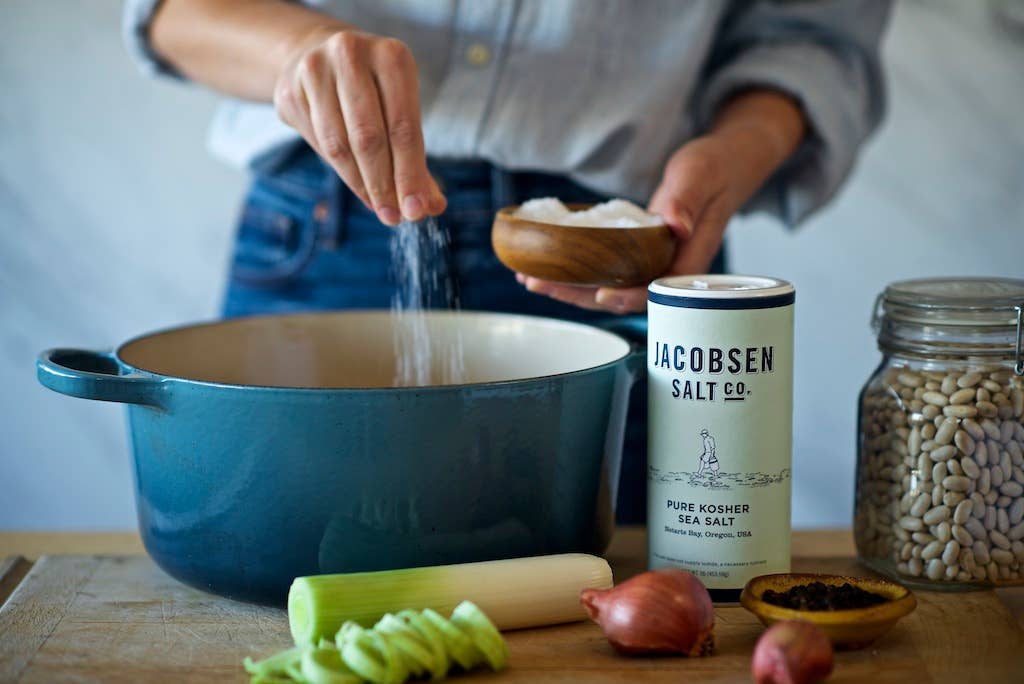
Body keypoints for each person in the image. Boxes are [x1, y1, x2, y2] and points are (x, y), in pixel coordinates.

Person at [124, 0, 890, 522]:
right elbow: (164, 12)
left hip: (618, 252)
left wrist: (736, 151)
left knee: (607, 596)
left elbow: (813, 35)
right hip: (327, 227)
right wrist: (298, 52)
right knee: (283, 565)